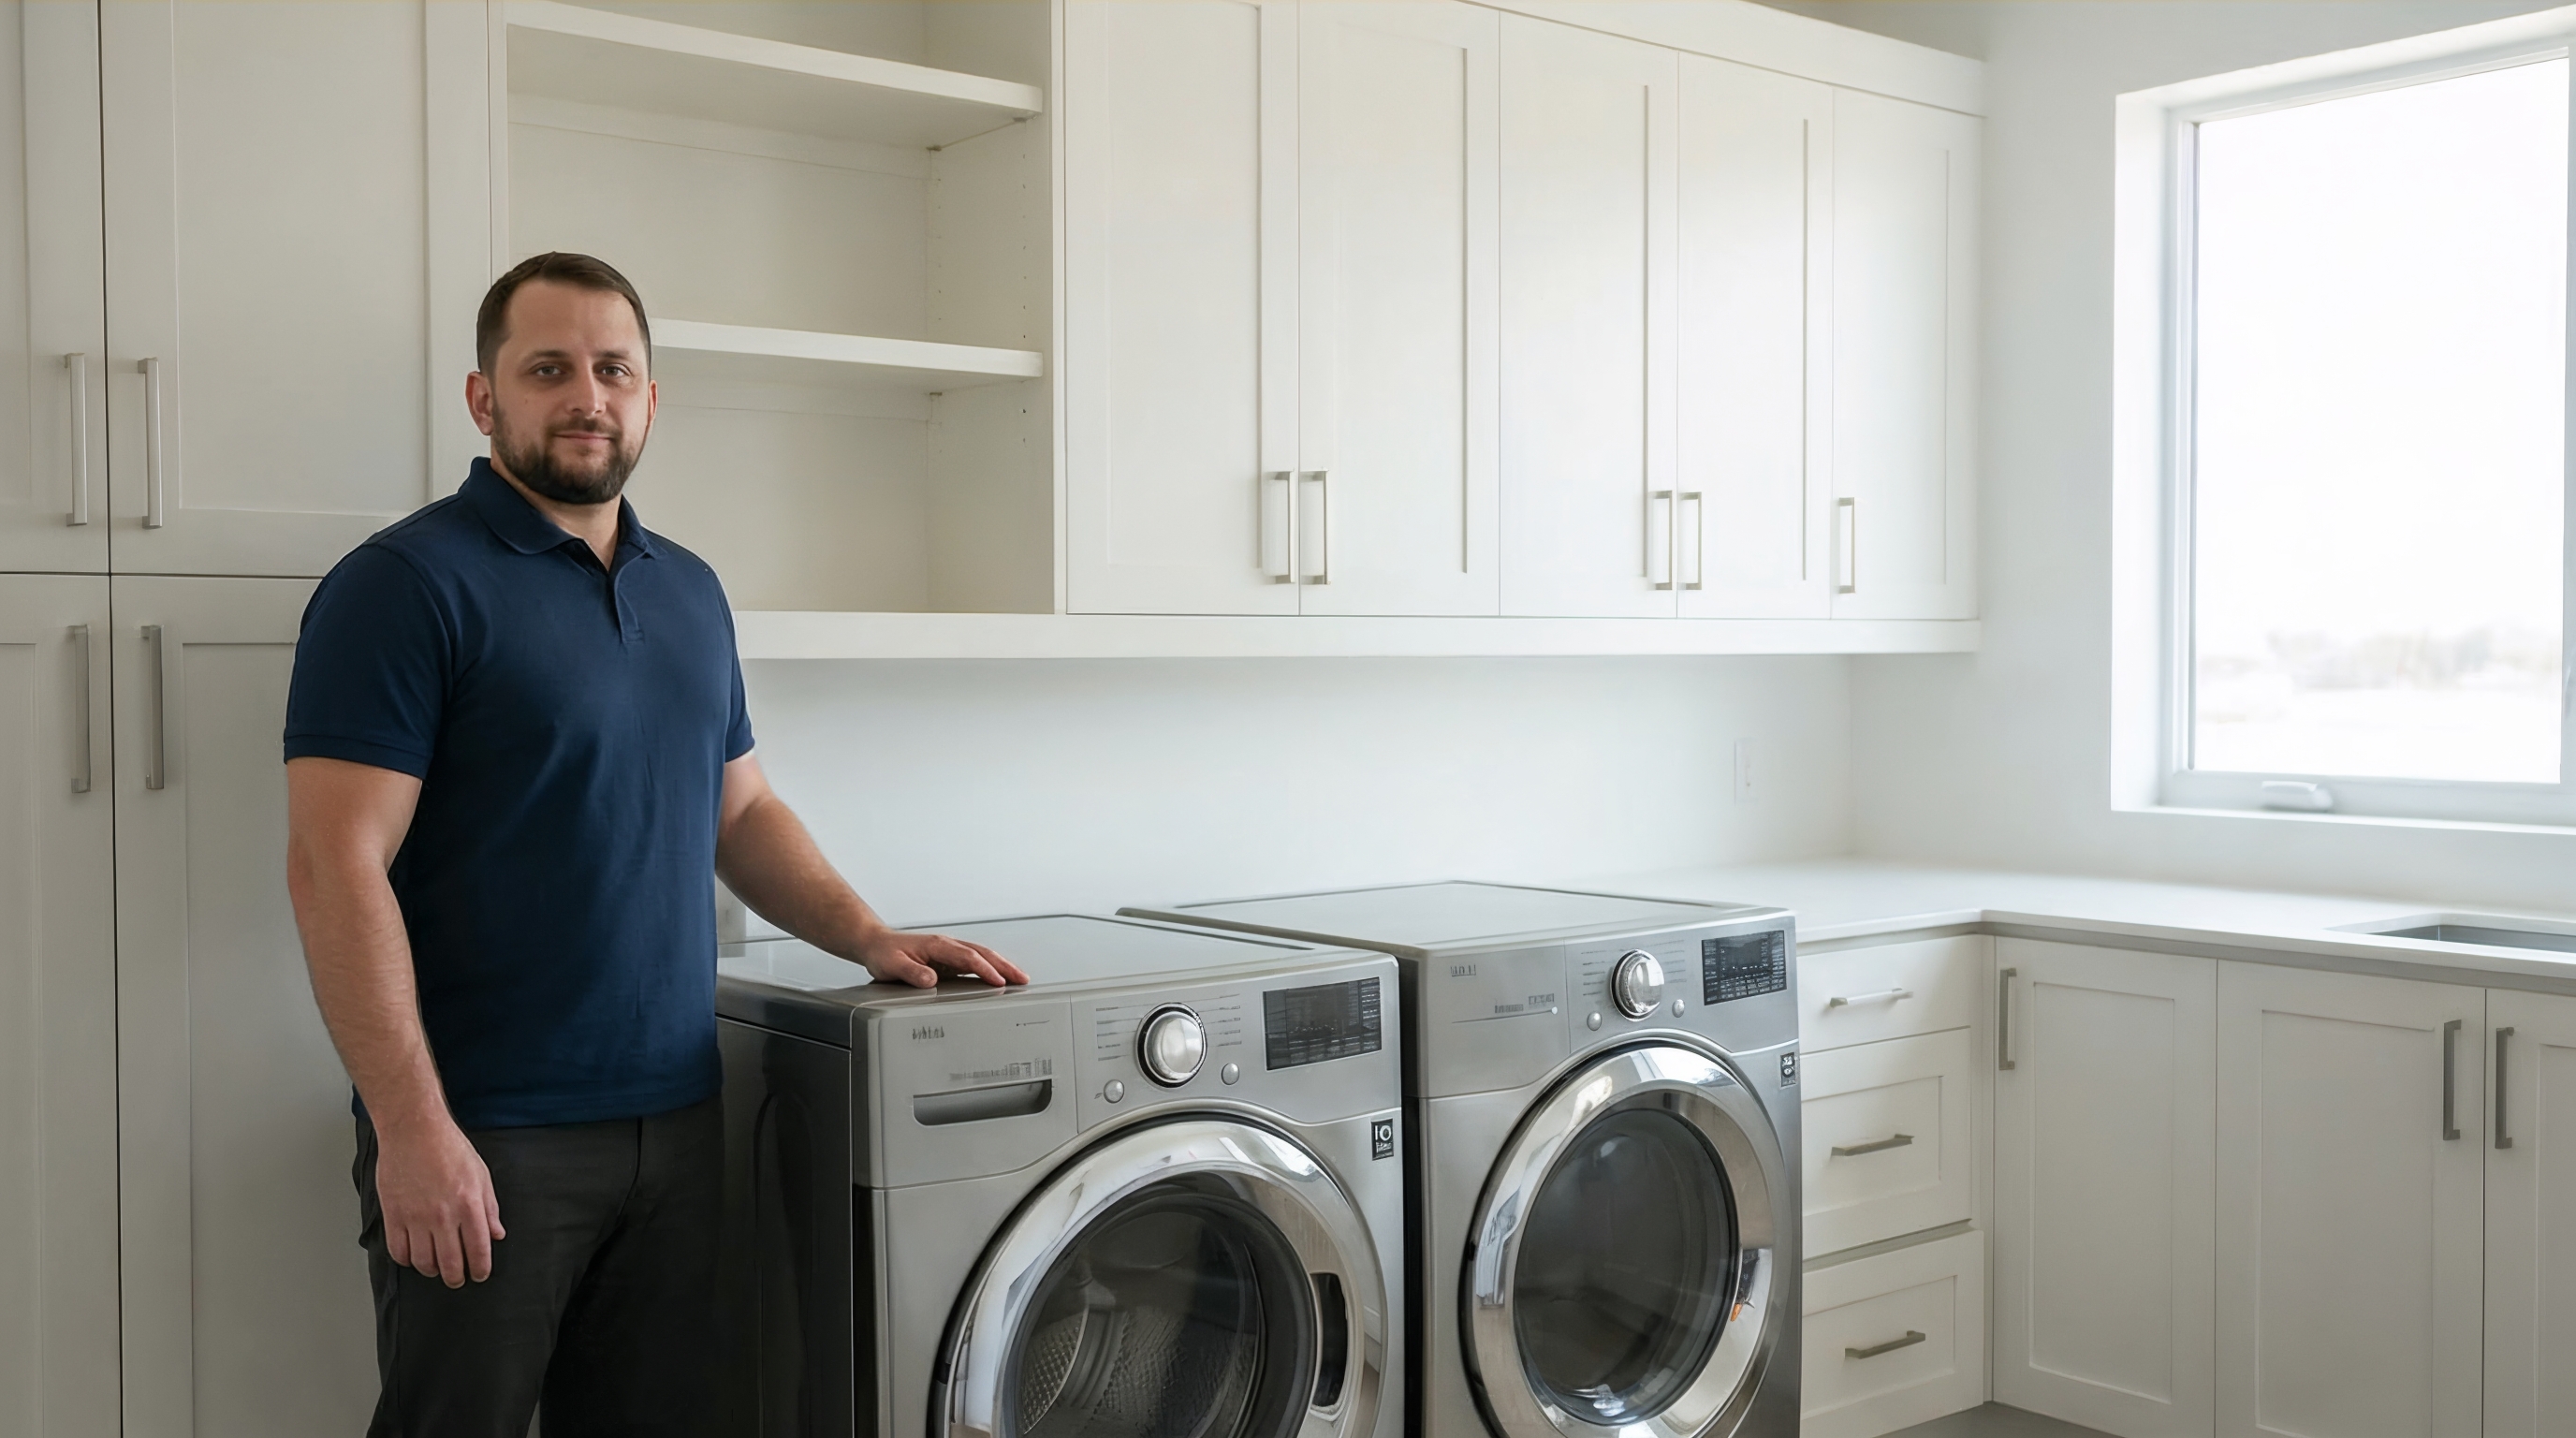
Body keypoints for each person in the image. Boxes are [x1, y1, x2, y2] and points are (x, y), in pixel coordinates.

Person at [281, 251, 1029, 1438]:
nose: (588, 396)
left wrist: (870, 936)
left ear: (649, 399)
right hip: (487, 1133)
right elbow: (334, 865)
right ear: (486, 399)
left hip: (680, 1119)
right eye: (549, 368)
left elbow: (741, 812)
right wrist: (414, 1134)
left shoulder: (691, 590)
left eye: (614, 369)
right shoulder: (403, 586)